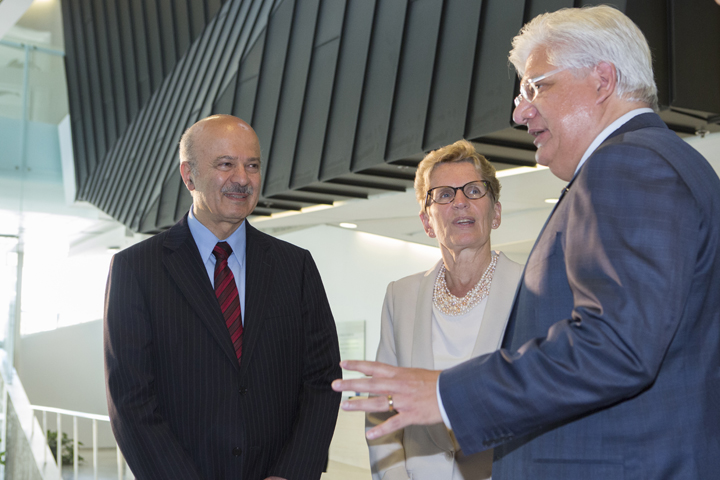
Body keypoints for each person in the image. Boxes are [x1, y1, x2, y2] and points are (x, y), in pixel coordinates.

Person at [333, 5, 720, 479]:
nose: (520, 112)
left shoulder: (626, 167)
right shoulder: (659, 162)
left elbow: (616, 344)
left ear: (602, 79)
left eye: (536, 86)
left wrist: (443, 393)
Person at [104, 114, 342, 480]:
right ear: (188, 175)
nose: (242, 179)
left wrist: (290, 474)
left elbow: (322, 379)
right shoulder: (136, 270)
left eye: (252, 165)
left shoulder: (296, 268)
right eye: (226, 165)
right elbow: (131, 399)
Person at [366, 140, 522, 480]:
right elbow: (382, 409)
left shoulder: (529, 290)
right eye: (445, 195)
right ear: (426, 221)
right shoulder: (400, 296)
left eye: (473, 190)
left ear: (495, 213)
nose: (461, 202)